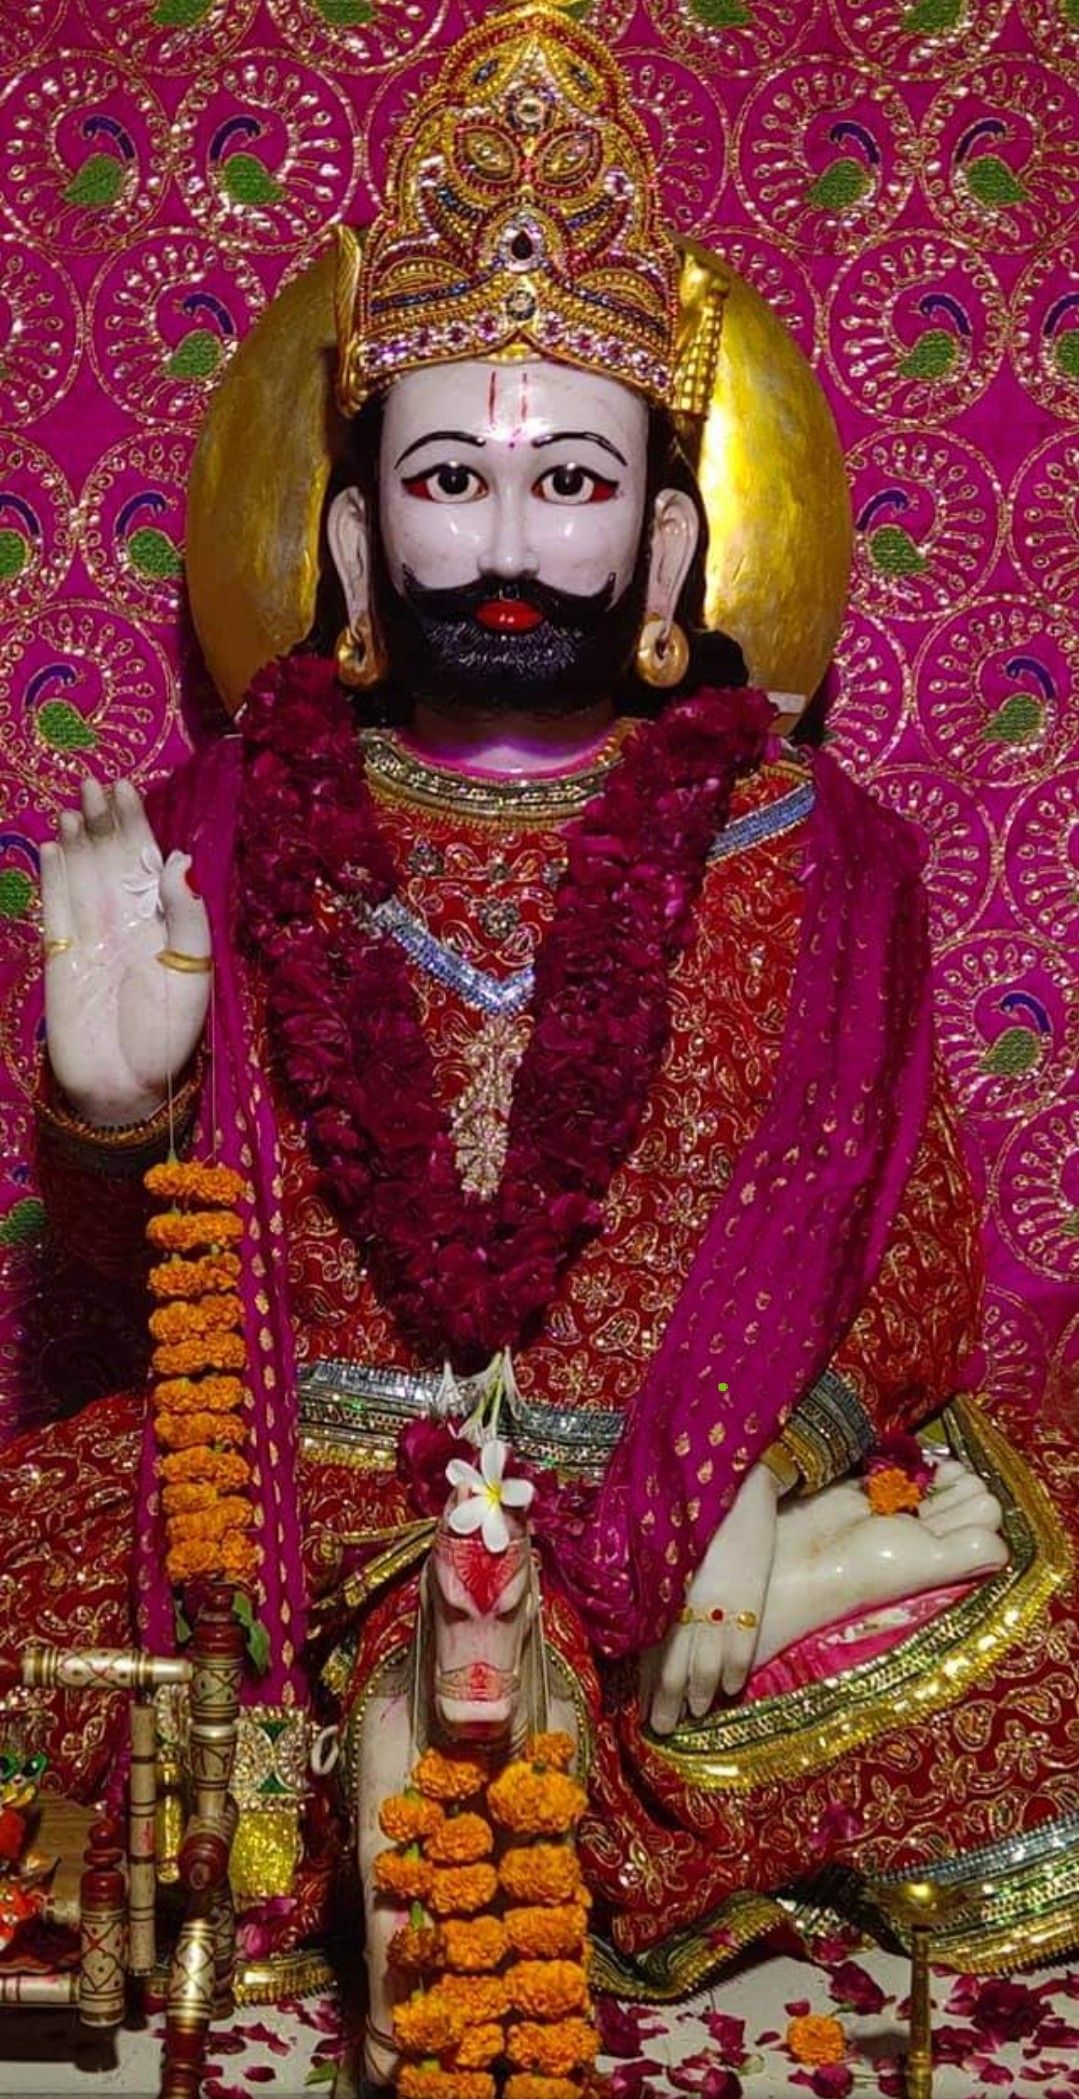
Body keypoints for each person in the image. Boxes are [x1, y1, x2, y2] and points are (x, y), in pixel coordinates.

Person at [2, 0, 1077, 2030]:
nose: (505, 549)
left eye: (571, 480)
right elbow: (122, 1313)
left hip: (697, 1515)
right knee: (102, 1607)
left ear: (670, 545)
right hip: (302, 1526)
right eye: (447, 484)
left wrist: (764, 1489)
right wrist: (108, 1111)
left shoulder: (808, 853)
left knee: (1027, 1603)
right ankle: (454, 1848)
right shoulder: (218, 841)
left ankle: (598, 1732)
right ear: (346, 539)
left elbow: (912, 1254)